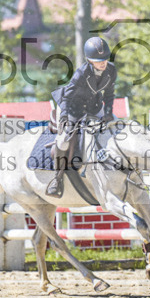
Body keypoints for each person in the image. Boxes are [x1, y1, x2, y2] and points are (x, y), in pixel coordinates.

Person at [47, 36, 117, 197]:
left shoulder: (111, 70)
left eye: (104, 59)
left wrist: (108, 113)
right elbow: (67, 98)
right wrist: (64, 117)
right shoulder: (81, 73)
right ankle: (57, 179)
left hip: (94, 106)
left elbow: (109, 94)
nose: (102, 63)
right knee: (65, 138)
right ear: (89, 60)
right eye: (98, 60)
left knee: (117, 125)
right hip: (71, 107)